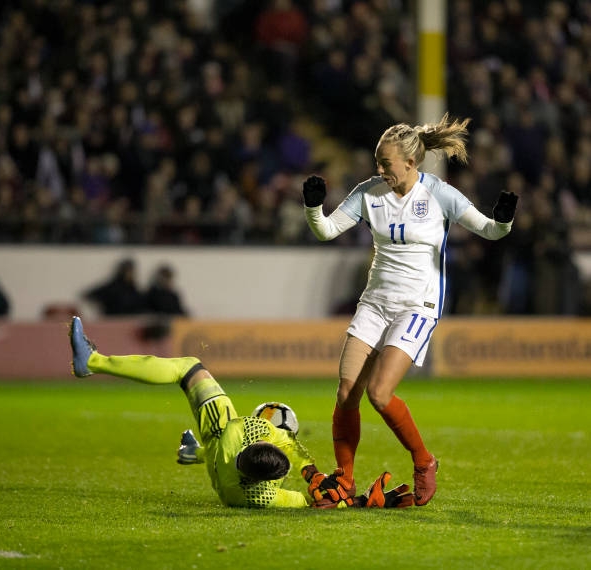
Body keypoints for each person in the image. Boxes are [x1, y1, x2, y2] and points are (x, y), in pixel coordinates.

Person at [302, 114, 518, 506]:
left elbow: (489, 230)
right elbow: (327, 230)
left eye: (385, 163)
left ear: (410, 163)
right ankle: (345, 483)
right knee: (347, 391)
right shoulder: (369, 193)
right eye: (377, 162)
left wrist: (504, 220)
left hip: (418, 305)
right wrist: (314, 207)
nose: (379, 169)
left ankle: (423, 461)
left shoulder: (439, 194)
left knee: (380, 394)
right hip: (375, 302)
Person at [68, 316, 414, 510]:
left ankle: (94, 362)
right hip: (222, 481)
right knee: (210, 444)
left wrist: (312, 474)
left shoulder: (243, 430)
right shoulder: (260, 497)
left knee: (188, 367)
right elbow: (310, 503)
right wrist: (351, 499)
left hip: (219, 431)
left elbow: (283, 442)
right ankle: (196, 452)